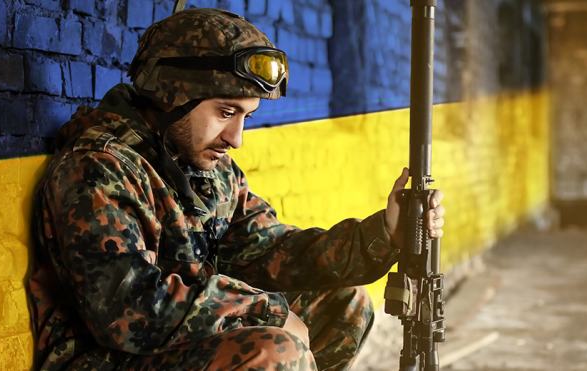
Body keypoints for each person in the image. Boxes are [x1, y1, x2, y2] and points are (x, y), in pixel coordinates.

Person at [27, 8, 445, 371]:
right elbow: (128, 310)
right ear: (172, 95)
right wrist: (267, 312)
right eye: (225, 112)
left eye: (245, 115)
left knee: (344, 301)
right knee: (274, 352)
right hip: (105, 356)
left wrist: (383, 234)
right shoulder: (98, 170)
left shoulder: (209, 170)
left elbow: (273, 252)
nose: (236, 137)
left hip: (167, 348)